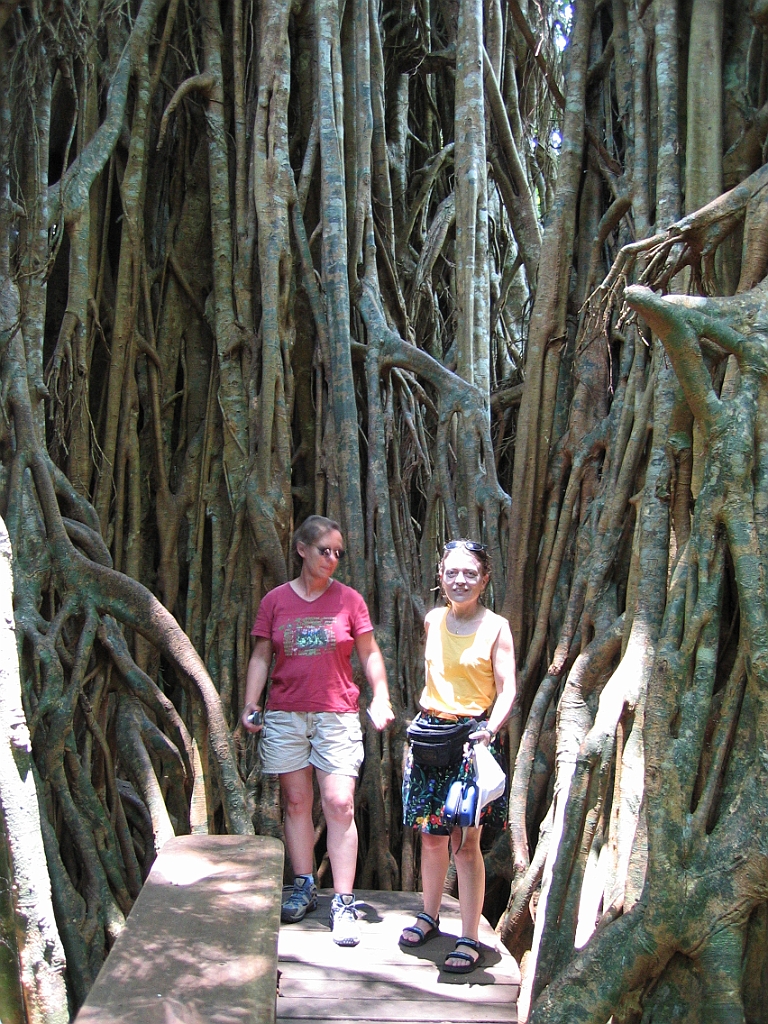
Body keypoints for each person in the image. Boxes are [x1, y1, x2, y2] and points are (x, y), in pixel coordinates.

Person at [241, 515, 395, 947]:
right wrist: (251, 703)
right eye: (325, 550)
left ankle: (343, 901)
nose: (332, 558)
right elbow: (260, 654)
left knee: (339, 802)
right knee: (295, 802)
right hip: (286, 713)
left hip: (337, 714)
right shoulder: (275, 601)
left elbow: (369, 652)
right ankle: (305, 884)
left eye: (338, 553)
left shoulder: (349, 601)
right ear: (301, 549)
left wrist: (379, 697)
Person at [399, 539, 516, 973]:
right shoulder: (433, 620)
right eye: (452, 573)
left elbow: (507, 690)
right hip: (430, 735)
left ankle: (468, 936)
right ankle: (429, 916)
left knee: (466, 844)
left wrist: (490, 729)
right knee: (431, 836)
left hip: (473, 740)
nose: (460, 580)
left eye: (470, 573)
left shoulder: (496, 626)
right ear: (440, 578)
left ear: (484, 579)